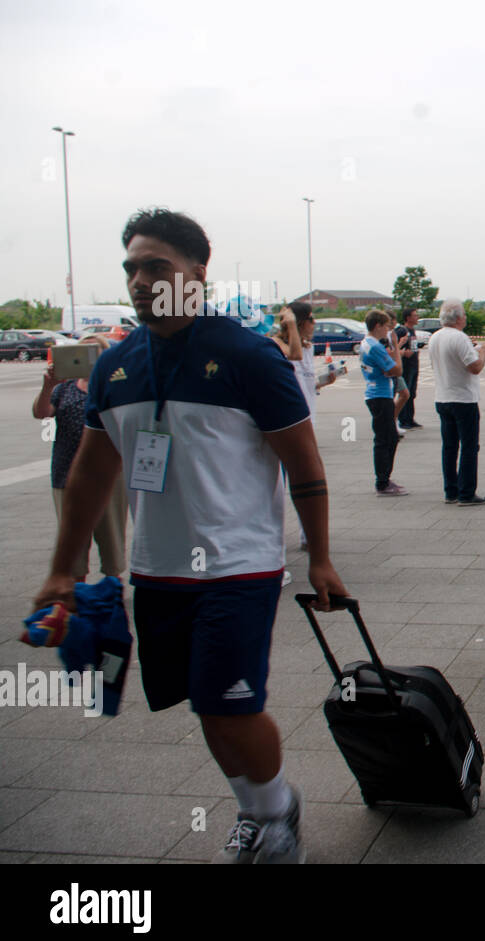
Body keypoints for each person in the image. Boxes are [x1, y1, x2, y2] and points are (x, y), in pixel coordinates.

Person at [32, 208, 349, 863]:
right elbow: (92, 476)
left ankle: (275, 813)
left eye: (156, 265)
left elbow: (305, 466)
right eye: (131, 268)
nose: (140, 279)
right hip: (157, 569)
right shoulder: (117, 364)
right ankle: (259, 806)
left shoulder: (247, 356)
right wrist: (64, 569)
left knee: (228, 703)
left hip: (240, 565)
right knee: (204, 707)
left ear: (197, 273)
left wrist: (320, 558)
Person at [32, 335, 128, 581]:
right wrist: (48, 386)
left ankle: (111, 588)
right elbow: (42, 413)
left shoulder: (115, 386)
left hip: (108, 476)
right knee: (72, 539)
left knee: (111, 538)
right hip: (67, 473)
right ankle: (74, 587)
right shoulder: (64, 388)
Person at [273, 303, 337, 549]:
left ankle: (307, 535)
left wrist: (322, 383)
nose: (315, 325)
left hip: (307, 421)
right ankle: (274, 538)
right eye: (312, 320)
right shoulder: (278, 345)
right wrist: (289, 325)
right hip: (283, 425)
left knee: (308, 482)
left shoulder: (308, 348)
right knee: (280, 485)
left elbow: (304, 383)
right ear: (300, 323)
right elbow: (294, 356)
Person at [429, 298, 485, 505]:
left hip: (442, 396)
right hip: (463, 399)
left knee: (449, 447)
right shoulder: (459, 338)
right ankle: (466, 492)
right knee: (469, 446)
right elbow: (474, 367)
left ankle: (451, 491)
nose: (465, 318)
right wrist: (482, 352)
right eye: (464, 315)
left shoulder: (435, 337)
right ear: (458, 319)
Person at [360, 309, 407, 496]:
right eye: (386, 326)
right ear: (378, 325)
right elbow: (397, 370)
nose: (388, 330)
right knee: (386, 439)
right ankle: (383, 481)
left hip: (376, 393)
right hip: (380, 395)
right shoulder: (376, 347)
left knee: (388, 437)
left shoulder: (367, 343)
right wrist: (395, 347)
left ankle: (385, 479)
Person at [395, 306, 423, 429]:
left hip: (414, 365)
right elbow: (393, 347)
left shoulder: (412, 331)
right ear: (408, 318)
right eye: (415, 315)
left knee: (412, 393)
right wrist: (403, 352)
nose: (417, 317)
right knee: (405, 393)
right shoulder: (402, 331)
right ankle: (403, 420)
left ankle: (410, 419)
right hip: (406, 367)